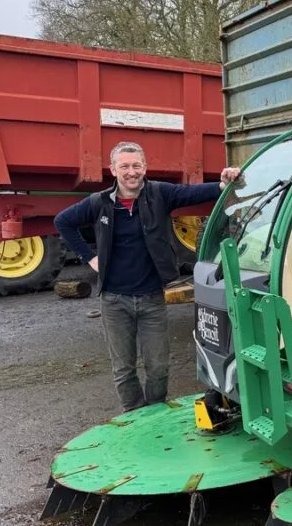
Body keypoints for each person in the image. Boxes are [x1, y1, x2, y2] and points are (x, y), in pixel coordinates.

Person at [54, 141, 242, 412]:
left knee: (158, 367)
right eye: (124, 166)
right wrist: (89, 257)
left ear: (144, 167)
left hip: (151, 298)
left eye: (136, 165)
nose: (131, 172)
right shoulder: (99, 203)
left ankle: (154, 414)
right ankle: (133, 417)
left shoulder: (159, 194)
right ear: (113, 169)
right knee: (123, 368)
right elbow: (63, 221)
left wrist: (222, 185)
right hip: (114, 301)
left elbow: (191, 193)